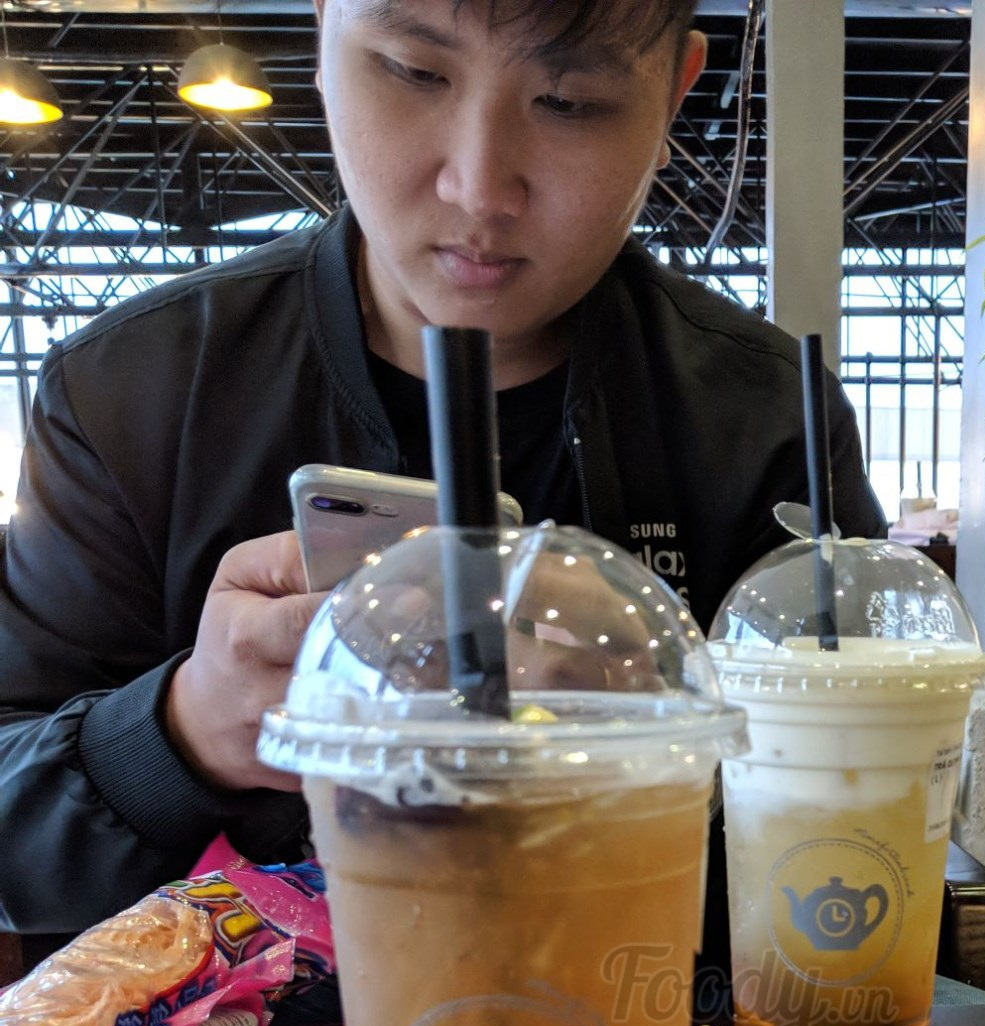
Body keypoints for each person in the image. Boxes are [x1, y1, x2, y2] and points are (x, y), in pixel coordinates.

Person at [0, 0, 884, 947]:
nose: (478, 189)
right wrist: (184, 732)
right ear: (324, 33)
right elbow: (15, 838)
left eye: (568, 100)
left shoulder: (767, 420)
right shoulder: (129, 390)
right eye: (414, 72)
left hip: (645, 1022)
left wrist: (668, 741)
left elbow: (869, 816)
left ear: (673, 95)